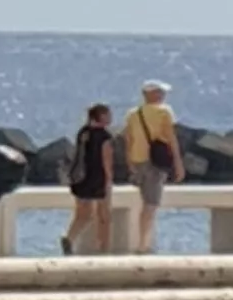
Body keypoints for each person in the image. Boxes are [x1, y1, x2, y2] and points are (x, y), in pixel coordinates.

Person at [122, 80, 184, 255]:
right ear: (152, 94)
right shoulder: (164, 111)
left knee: (146, 201)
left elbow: (128, 139)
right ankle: (143, 244)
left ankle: (144, 242)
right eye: (160, 92)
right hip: (156, 162)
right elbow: (171, 139)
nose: (163, 95)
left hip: (138, 160)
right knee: (151, 204)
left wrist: (129, 163)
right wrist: (178, 164)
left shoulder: (133, 114)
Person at [61, 103, 114, 255]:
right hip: (98, 179)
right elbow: (106, 160)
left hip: (80, 178)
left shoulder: (83, 132)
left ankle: (69, 238)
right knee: (104, 216)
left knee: (83, 214)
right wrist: (109, 180)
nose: (110, 118)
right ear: (102, 117)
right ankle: (104, 248)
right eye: (108, 115)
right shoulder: (104, 136)